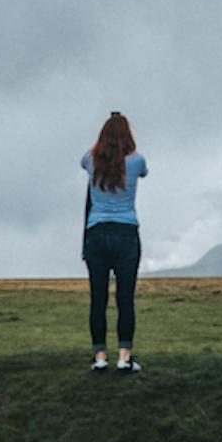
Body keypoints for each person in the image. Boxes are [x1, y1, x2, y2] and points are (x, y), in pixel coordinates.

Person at [81, 111, 148, 373]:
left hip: (96, 232)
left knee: (98, 298)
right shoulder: (137, 160)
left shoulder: (90, 159)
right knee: (125, 298)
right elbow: (144, 172)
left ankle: (99, 357)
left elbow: (84, 160)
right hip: (126, 233)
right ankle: (124, 356)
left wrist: (101, 145)